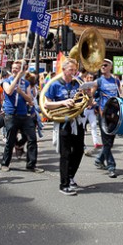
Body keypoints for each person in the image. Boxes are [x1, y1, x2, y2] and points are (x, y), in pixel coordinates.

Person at [44, 58, 88, 196]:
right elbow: (46, 105)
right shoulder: (55, 85)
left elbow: (86, 102)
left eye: (75, 70)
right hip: (63, 122)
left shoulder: (78, 84)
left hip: (77, 121)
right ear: (63, 70)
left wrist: (89, 95)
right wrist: (63, 103)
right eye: (71, 70)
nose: (73, 72)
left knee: (79, 150)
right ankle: (64, 185)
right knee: (66, 154)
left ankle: (70, 176)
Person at [0, 60, 43, 173]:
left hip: (24, 114)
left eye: (17, 68)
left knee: (32, 138)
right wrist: (16, 79)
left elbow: (30, 99)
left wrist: (21, 92)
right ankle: (5, 163)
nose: (15, 70)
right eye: (14, 68)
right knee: (11, 140)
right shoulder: (6, 81)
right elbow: (8, 91)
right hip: (11, 115)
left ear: (22, 70)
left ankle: (31, 165)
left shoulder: (26, 83)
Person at [94, 58, 121, 178]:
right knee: (106, 141)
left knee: (110, 142)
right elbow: (91, 94)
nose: (103, 67)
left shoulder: (116, 81)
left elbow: (121, 94)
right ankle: (111, 166)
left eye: (105, 65)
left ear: (111, 67)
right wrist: (94, 103)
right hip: (103, 114)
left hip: (114, 115)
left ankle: (99, 160)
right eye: (101, 65)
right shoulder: (98, 81)